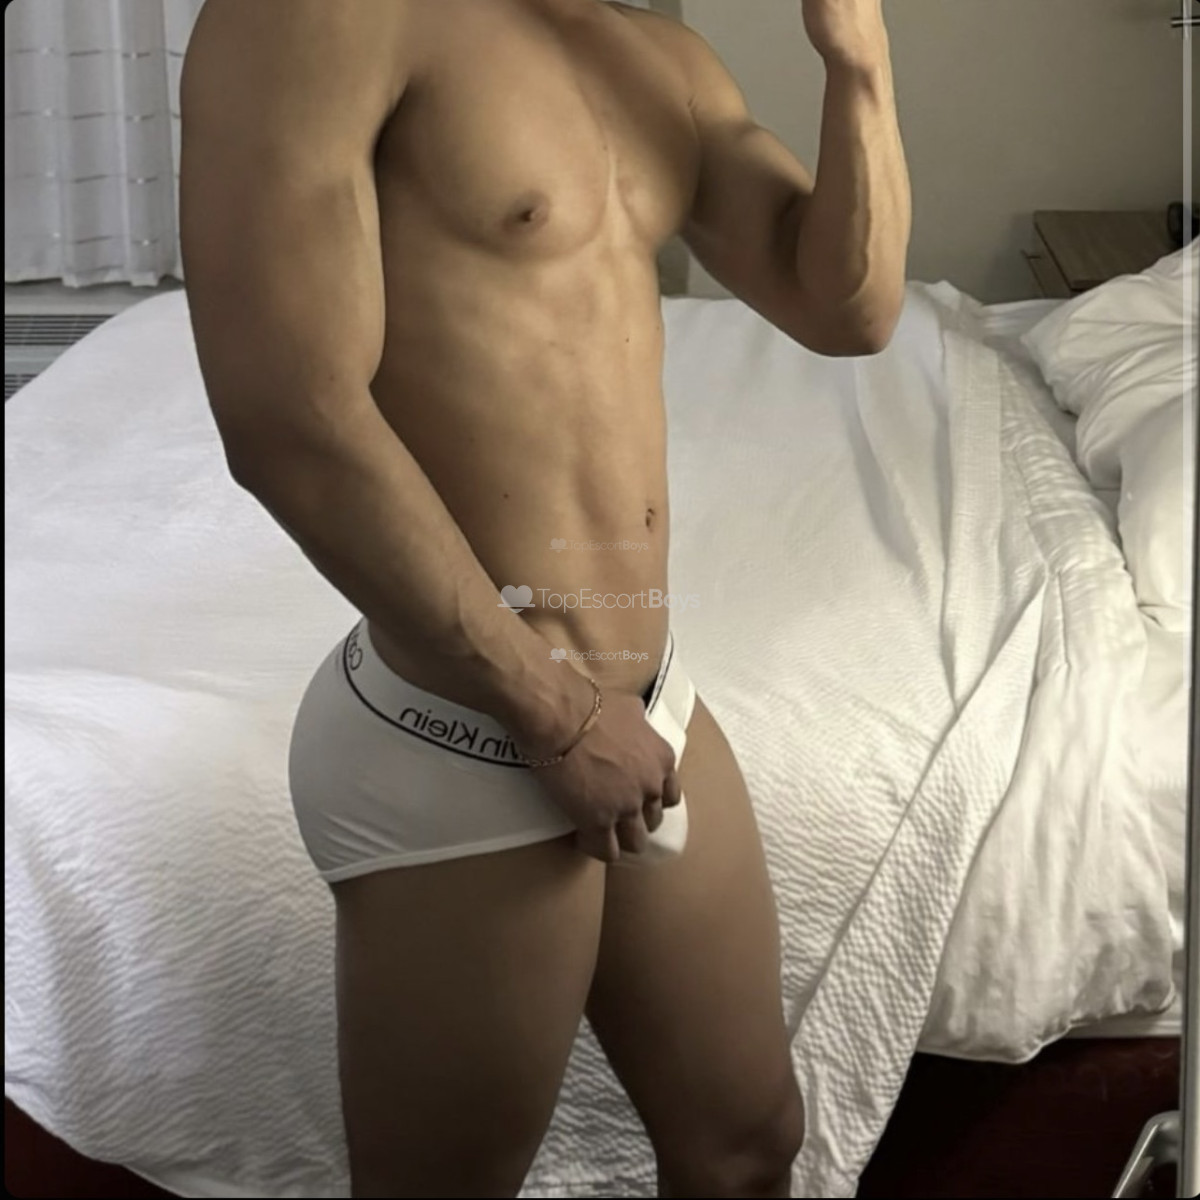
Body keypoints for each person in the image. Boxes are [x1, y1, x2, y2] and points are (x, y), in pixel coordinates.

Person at [179, 1, 910, 1195]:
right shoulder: (318, 16)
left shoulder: (654, 53)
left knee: (748, 1149)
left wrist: (858, 57)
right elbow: (287, 420)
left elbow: (851, 310)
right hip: (466, 724)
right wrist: (558, 716)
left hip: (649, 703)